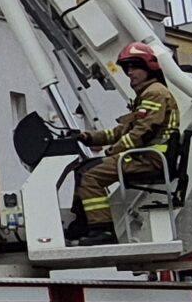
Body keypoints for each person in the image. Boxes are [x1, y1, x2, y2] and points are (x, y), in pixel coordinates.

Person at [70, 42, 180, 240]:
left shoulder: (155, 93)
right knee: (83, 168)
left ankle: (102, 230)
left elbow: (142, 132)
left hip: (149, 158)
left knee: (91, 176)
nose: (130, 73)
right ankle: (83, 222)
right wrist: (89, 137)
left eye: (135, 67)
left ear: (149, 67)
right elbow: (122, 131)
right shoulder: (146, 95)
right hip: (144, 156)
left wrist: (111, 152)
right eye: (127, 68)